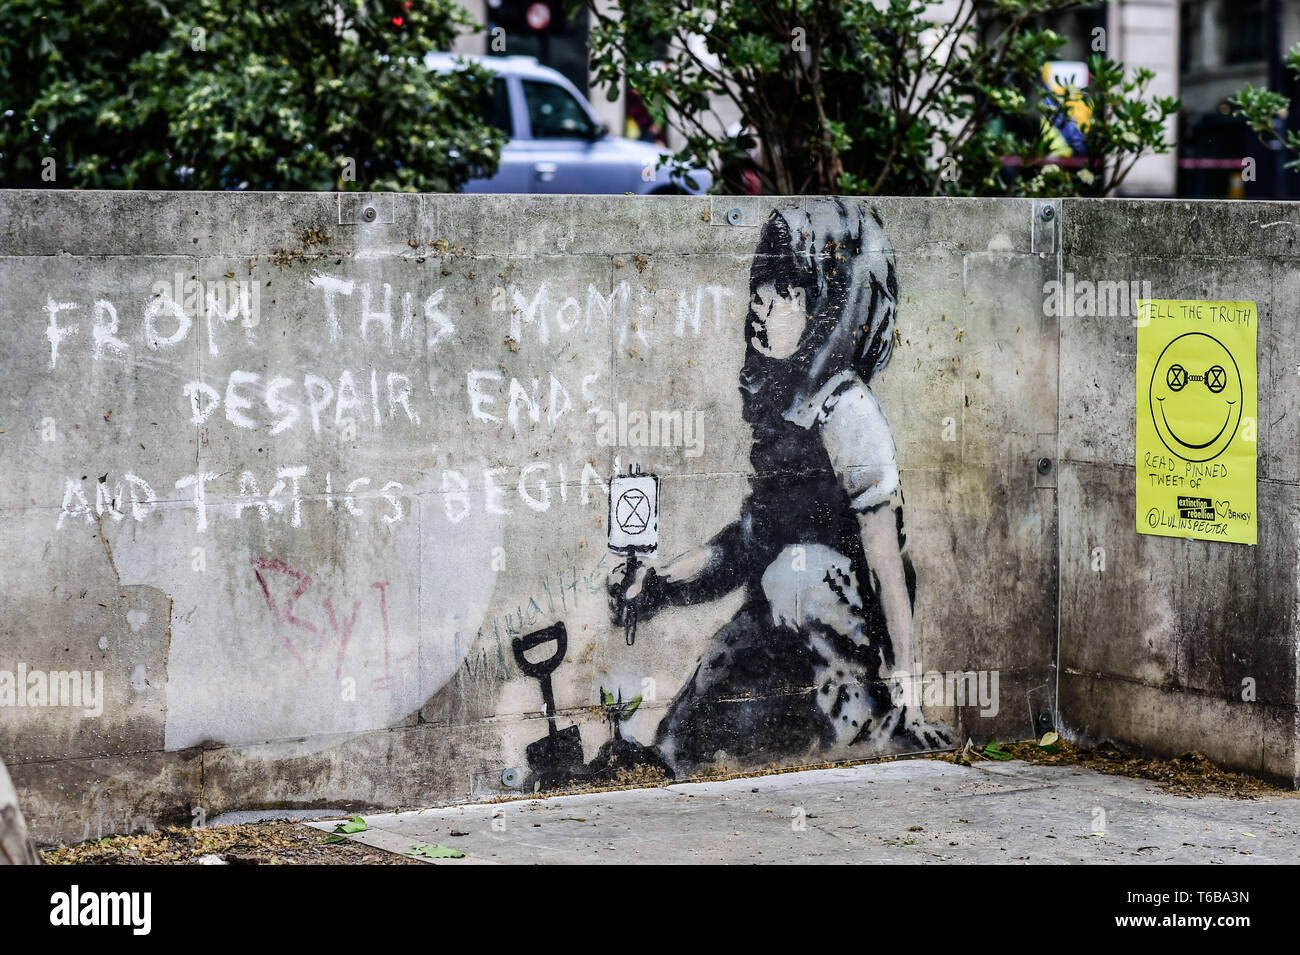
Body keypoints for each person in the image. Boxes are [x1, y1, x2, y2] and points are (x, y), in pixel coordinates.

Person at [609, 200, 949, 770]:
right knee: (695, 710)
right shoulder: (787, 412)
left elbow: (886, 566)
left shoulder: (848, 413)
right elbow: (744, 542)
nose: (760, 305)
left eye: (786, 290)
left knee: (796, 575)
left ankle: (862, 729)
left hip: (840, 626)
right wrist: (659, 584)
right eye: (761, 285)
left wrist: (909, 699)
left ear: (826, 304)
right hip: (782, 613)